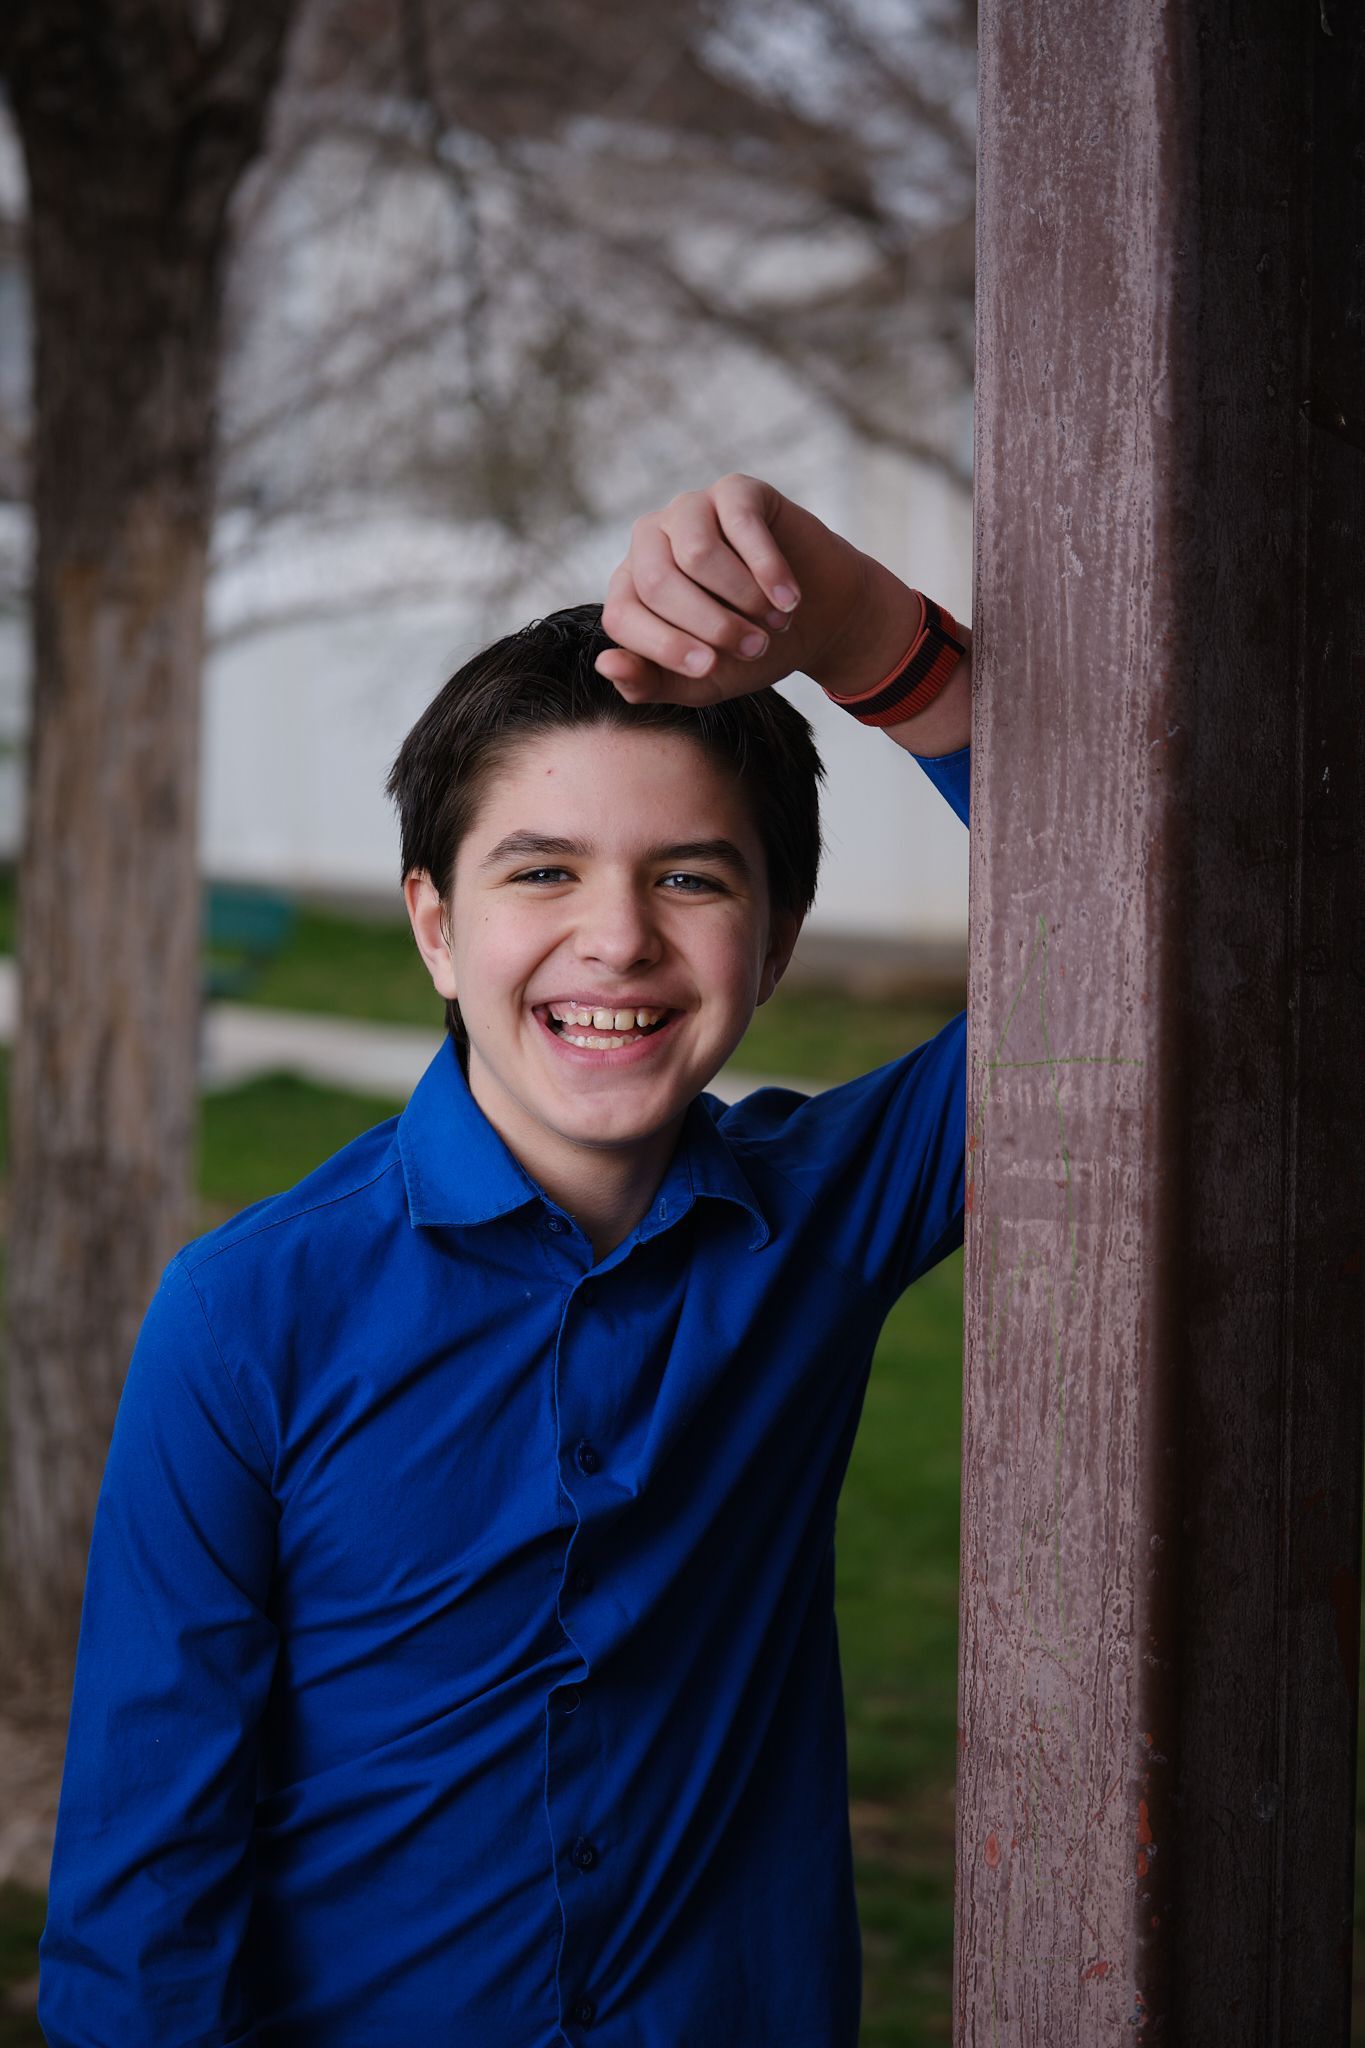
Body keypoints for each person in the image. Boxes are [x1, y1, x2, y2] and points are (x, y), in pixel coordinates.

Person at [38, 474, 972, 2046]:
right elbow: (144, 1871)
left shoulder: (830, 1214)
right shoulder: (248, 1314)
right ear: (433, 927)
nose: (615, 937)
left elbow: (1149, 915)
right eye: (540, 871)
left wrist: (874, 637)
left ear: (778, 937)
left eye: (690, 876)